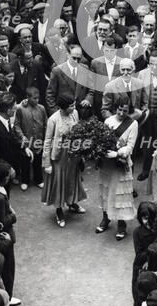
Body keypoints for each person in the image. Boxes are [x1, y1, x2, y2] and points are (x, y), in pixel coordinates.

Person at [42, 94, 86, 227]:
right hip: (59, 155)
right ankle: (59, 210)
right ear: (62, 107)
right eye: (71, 106)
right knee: (59, 181)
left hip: (73, 153)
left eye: (74, 105)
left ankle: (72, 203)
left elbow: (78, 132)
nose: (74, 107)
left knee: (72, 179)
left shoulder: (75, 113)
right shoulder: (53, 119)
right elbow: (48, 141)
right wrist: (46, 163)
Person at [96, 96, 137, 240]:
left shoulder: (133, 124)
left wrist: (118, 153)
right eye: (120, 109)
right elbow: (102, 140)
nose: (121, 113)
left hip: (121, 163)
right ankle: (106, 219)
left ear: (128, 110)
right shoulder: (108, 121)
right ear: (116, 108)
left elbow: (130, 146)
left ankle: (121, 225)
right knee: (106, 191)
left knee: (120, 194)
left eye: (125, 111)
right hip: (107, 164)